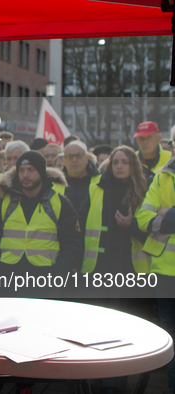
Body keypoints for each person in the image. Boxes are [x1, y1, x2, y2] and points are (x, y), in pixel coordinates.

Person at [0, 151, 83, 289]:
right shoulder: (4, 202)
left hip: (45, 280)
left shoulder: (59, 203)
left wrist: (58, 274)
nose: (25, 175)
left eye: (31, 170)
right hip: (6, 278)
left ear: (41, 172)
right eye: (21, 170)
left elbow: (72, 243)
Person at [136, 151, 175, 394]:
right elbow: (143, 218)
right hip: (164, 270)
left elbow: (156, 219)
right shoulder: (163, 177)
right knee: (169, 333)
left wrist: (167, 214)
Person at [81, 146, 150, 276]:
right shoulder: (96, 189)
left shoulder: (145, 191)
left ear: (133, 165)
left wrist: (131, 225)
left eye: (125, 162)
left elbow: (153, 231)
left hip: (134, 268)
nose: (119, 166)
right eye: (115, 162)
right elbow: (80, 225)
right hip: (102, 265)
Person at [59, 141, 101, 215]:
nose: (74, 160)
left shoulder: (101, 182)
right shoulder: (55, 183)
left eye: (79, 156)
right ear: (64, 161)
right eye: (69, 157)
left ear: (86, 158)